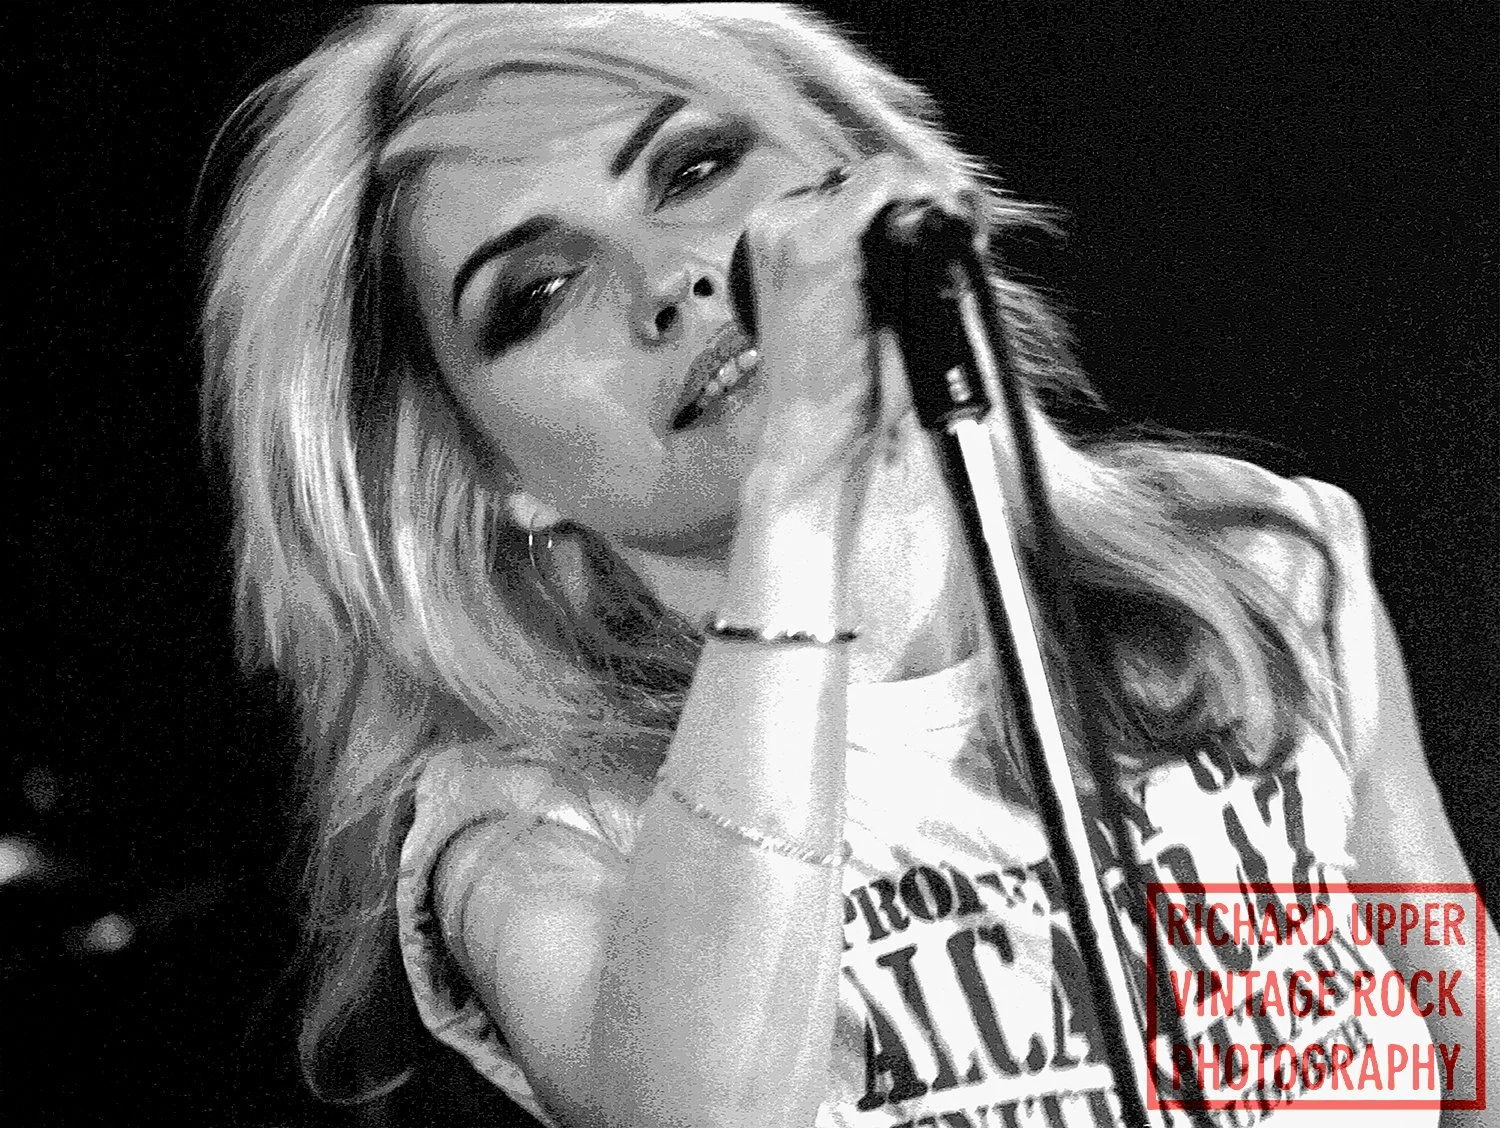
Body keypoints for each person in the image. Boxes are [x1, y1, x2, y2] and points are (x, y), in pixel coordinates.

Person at [199, 5, 1493, 1126]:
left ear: (866, 175)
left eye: (698, 166)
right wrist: (800, 493)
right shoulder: (530, 834)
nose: (671, 280)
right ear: (495, 474)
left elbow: (1468, 1028)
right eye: (536, 294)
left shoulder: (1255, 567)